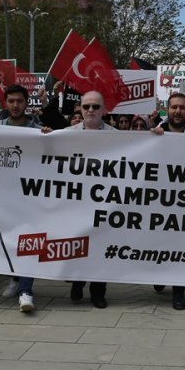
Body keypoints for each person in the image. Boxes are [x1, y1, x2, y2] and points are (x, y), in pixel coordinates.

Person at [63, 90, 117, 308]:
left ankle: (98, 291)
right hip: (76, 203)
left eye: (96, 106)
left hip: (104, 203)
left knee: (100, 247)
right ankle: (76, 281)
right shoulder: (66, 134)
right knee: (77, 244)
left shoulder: (117, 135)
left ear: (103, 109)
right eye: (86, 107)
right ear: (80, 109)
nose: (91, 110)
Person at [0, 85, 44, 311]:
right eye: (11, 101)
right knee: (7, 242)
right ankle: (16, 278)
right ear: (5, 103)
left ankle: (26, 291)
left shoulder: (38, 130)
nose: (15, 105)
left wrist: (51, 137)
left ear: (27, 103)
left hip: (30, 197)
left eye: (19, 101)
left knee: (28, 242)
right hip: (3, 198)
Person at [151, 92, 185, 310]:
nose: (177, 111)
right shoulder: (154, 134)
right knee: (161, 243)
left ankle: (179, 292)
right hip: (159, 202)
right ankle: (160, 273)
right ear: (166, 110)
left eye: (182, 108)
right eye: (174, 107)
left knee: (183, 247)